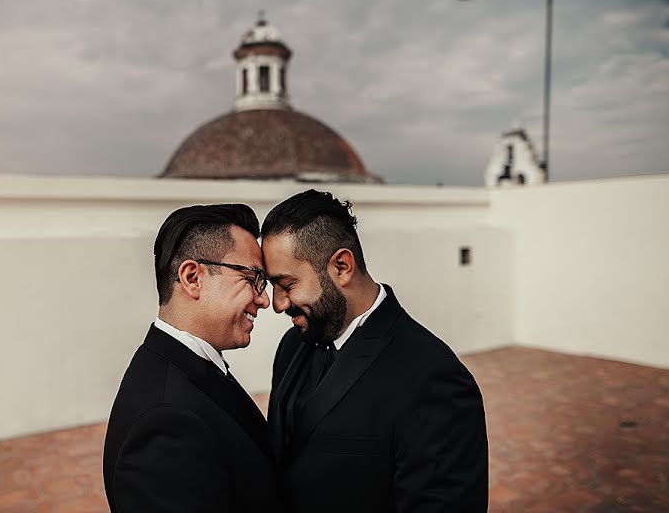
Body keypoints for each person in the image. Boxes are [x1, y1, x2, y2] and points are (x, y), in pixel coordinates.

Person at [262, 190, 488, 512]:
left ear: (342, 267)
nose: (278, 303)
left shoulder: (434, 377)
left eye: (287, 285)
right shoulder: (291, 346)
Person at [102, 203, 281, 512]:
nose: (264, 299)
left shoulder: (191, 365)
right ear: (192, 277)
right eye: (253, 278)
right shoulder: (164, 421)